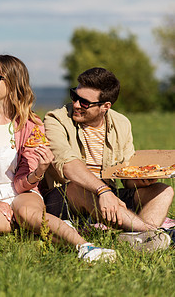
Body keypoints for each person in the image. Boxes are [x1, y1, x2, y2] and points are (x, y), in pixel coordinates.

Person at [0, 55, 116, 262]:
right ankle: (31, 229)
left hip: (21, 191)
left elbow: (22, 184)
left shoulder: (31, 124)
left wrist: (40, 170)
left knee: (27, 211)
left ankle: (86, 246)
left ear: (13, 83)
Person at [42, 67, 173, 251]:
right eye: (75, 96)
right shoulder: (55, 120)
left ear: (105, 106)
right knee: (79, 187)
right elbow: (68, 166)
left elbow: (127, 180)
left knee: (163, 191)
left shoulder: (122, 123)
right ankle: (153, 233)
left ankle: (133, 238)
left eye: (85, 102)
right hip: (65, 196)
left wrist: (141, 180)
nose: (77, 104)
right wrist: (103, 190)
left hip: (107, 198)